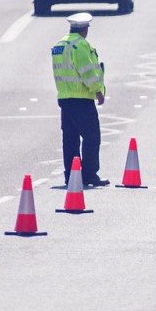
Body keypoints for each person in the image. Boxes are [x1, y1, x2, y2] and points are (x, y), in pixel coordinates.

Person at [51, 12, 109, 187]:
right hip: (82, 99)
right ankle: (90, 174)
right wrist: (98, 91)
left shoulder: (60, 45)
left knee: (70, 139)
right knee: (92, 137)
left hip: (65, 98)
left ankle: (71, 175)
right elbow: (88, 71)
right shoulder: (80, 45)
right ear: (85, 29)